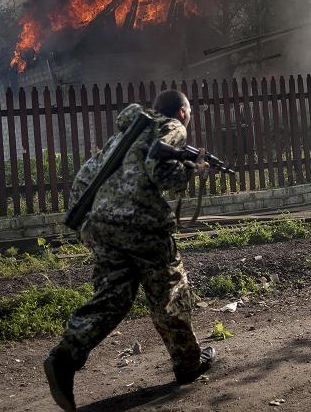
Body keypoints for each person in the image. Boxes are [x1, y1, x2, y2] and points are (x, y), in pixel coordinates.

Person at [44, 90, 216, 411]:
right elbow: (160, 172)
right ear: (181, 112)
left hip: (103, 225)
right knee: (171, 292)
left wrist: (88, 226)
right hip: (142, 223)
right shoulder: (172, 127)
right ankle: (188, 364)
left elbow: (86, 175)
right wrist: (192, 168)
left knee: (113, 297)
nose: (188, 120)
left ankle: (64, 358)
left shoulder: (126, 133)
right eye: (189, 114)